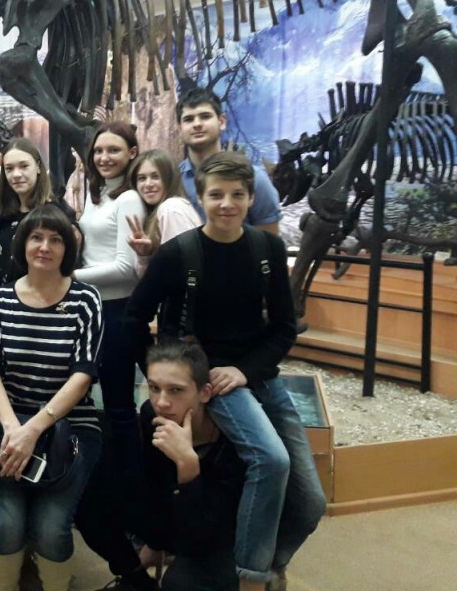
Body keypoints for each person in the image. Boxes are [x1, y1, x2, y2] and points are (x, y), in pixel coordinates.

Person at [124, 152, 325, 591]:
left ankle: (265, 563)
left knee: (312, 501)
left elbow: (284, 329)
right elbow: (134, 318)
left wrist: (246, 372)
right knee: (271, 460)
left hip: (255, 375)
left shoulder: (268, 250)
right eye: (216, 195)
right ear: (201, 198)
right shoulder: (177, 254)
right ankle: (251, 579)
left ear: (251, 198)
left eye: (237, 195)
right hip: (208, 379)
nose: (227, 204)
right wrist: (167, 380)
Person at [0, 204, 104, 591]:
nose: (45, 247)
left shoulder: (86, 300)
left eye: (55, 239)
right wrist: (12, 427)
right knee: (6, 523)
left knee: (51, 527)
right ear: (23, 244)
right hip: (9, 424)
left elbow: (82, 377)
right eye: (36, 237)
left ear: (68, 248)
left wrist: (33, 429)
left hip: (72, 425)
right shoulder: (0, 299)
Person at [133, 340, 248, 591]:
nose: (161, 402)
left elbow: (202, 538)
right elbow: (154, 489)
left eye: (176, 390)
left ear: (204, 393)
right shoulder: (152, 415)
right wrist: (155, 542)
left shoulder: (233, 441)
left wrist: (188, 467)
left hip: (226, 537)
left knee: (180, 584)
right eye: (154, 388)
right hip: (182, 521)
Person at [72, 121, 145, 466]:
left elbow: (125, 268)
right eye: (99, 150)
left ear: (132, 153)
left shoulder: (129, 198)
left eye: (113, 150)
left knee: (119, 405)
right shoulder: (96, 194)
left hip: (116, 313)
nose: (104, 157)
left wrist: (68, 278)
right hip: (90, 309)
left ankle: (131, 484)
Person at [176, 87, 281, 233]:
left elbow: (269, 241)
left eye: (205, 116)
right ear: (179, 129)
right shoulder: (173, 181)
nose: (197, 124)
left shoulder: (255, 179)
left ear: (222, 122)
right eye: (188, 119)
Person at [0, 137, 76, 284]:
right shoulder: (5, 214)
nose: (16, 174)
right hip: (7, 294)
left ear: (38, 167)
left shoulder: (55, 213)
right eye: (9, 168)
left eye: (24, 166)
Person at [126, 148, 202, 271]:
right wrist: (144, 255)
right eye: (142, 178)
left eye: (155, 177)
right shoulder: (160, 211)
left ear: (170, 178)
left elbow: (187, 268)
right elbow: (154, 276)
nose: (148, 184)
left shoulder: (171, 208)